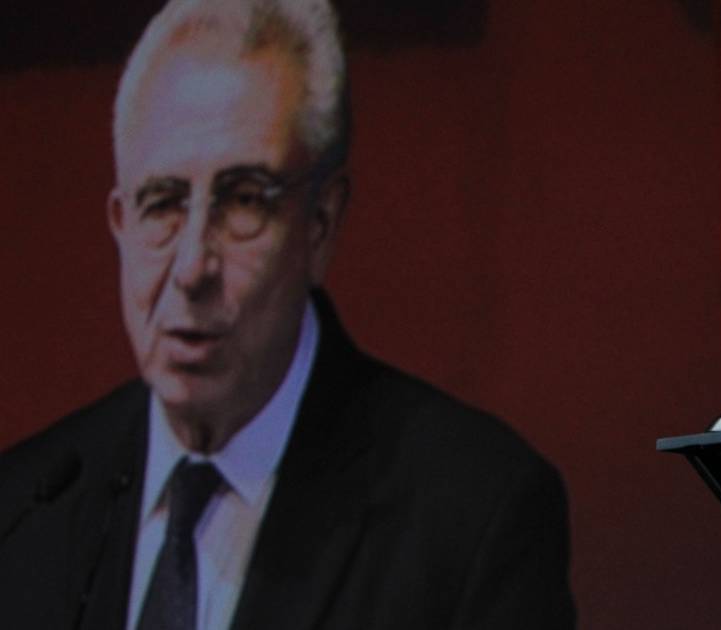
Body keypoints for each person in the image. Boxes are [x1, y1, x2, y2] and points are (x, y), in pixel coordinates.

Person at [0, 1, 575, 629]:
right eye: (162, 204)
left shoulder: (472, 519)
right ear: (120, 224)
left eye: (244, 202)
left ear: (320, 225)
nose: (192, 268)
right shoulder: (24, 509)